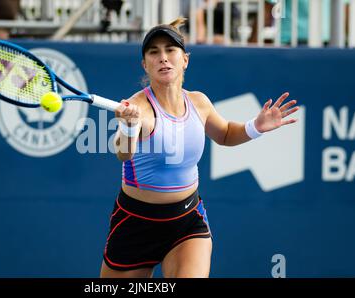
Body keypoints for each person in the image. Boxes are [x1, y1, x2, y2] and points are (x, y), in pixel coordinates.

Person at [100, 17, 299, 278]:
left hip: (186, 221)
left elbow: (226, 134)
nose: (163, 58)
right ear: (145, 65)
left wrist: (256, 126)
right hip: (136, 223)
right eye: (154, 52)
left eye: (170, 50)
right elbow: (122, 152)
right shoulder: (142, 109)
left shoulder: (199, 102)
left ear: (185, 60)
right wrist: (128, 127)